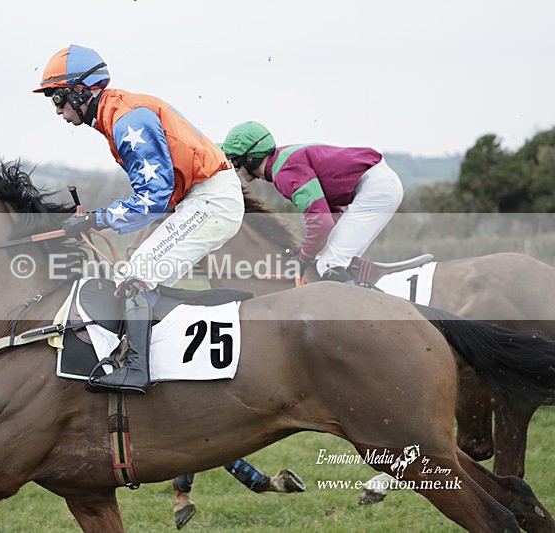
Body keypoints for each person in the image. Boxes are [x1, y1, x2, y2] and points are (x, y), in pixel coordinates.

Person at [34, 44, 244, 394]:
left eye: (57, 99)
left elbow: (152, 197)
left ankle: (136, 370)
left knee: (137, 275)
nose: (57, 111)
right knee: (129, 271)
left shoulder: (126, 119)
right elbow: (160, 197)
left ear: (80, 91)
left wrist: (95, 220)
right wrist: (130, 237)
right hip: (197, 200)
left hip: (210, 200)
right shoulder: (118, 113)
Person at [219, 121, 404, 285]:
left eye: (235, 161)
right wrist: (310, 252)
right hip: (377, 184)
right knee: (332, 260)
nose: (235, 169)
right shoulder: (282, 162)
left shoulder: (284, 173)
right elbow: (331, 214)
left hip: (375, 189)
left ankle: (366, 314)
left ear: (250, 158)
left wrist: (303, 257)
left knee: (328, 266)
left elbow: (321, 222)